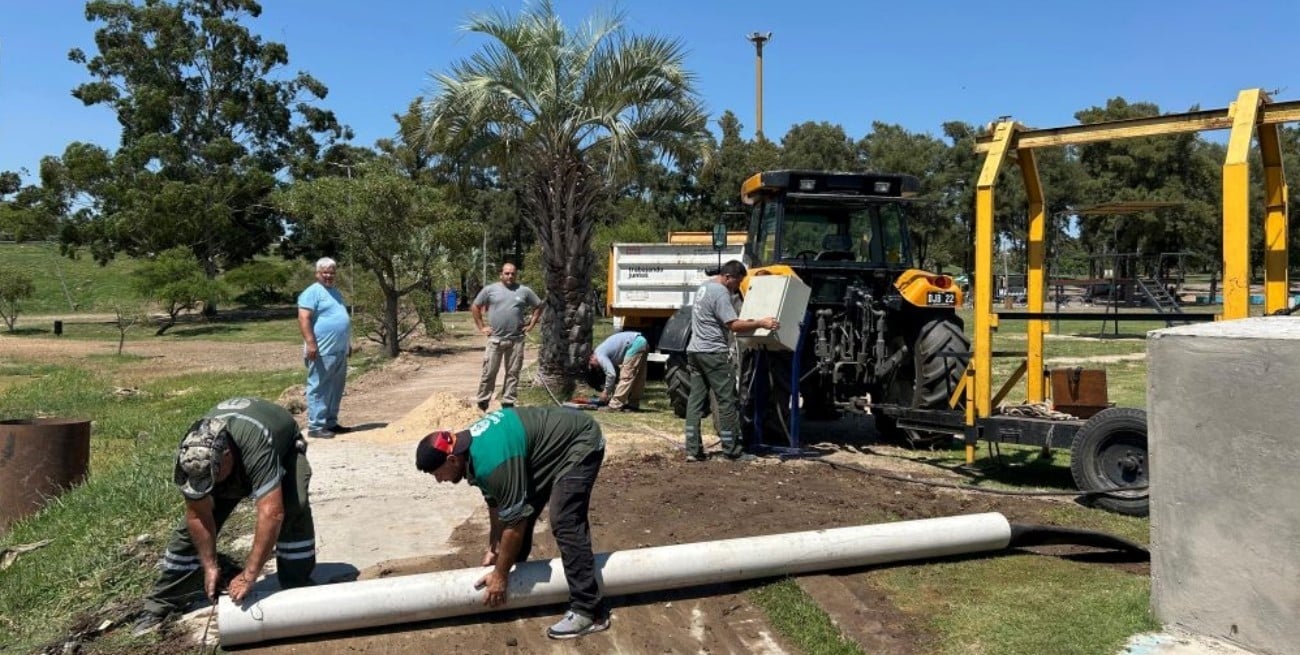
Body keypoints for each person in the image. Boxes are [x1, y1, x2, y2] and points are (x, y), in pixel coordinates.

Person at [415, 406, 608, 640]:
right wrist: (494, 547)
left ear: (452, 459)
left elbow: (515, 523)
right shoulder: (470, 452)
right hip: (542, 454)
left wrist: (500, 574)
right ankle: (517, 588)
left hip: (579, 441)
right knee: (516, 518)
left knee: (564, 520)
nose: (439, 481)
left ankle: (588, 610)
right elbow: (496, 503)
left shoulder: (493, 463)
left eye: (438, 473)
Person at [134, 397, 316, 634]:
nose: (210, 486)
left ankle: (297, 584)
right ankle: (163, 603)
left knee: (294, 506)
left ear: (227, 455)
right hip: (227, 459)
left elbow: (271, 513)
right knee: (188, 535)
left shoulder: (256, 446)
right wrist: (209, 565)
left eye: (213, 478)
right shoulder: (192, 454)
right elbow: (198, 516)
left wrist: (250, 574)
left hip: (284, 448)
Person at [684, 260, 779, 463]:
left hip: (695, 350)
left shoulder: (704, 287)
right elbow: (734, 325)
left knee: (695, 401)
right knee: (727, 400)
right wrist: (761, 322)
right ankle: (732, 450)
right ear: (728, 277)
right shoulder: (720, 292)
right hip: (713, 353)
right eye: (736, 283)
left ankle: (692, 449)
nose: (736, 288)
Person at [472, 263, 543, 412]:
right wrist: (481, 326)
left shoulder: (524, 291)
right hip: (495, 340)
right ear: (501, 274)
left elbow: (539, 306)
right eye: (506, 273)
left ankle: (508, 404)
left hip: (516, 340)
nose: (510, 276)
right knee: (489, 372)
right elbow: (475, 306)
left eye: (512, 273)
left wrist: (530, 325)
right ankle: (483, 402)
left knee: (513, 373)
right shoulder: (490, 290)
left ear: (516, 275)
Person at [297, 257, 352, 439]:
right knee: (319, 386)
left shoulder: (335, 292)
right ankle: (316, 425)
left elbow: (339, 317)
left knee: (336, 387)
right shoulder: (312, 293)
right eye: (325, 272)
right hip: (322, 350)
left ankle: (330, 422)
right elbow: (304, 318)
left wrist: (347, 343)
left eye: (331, 272)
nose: (328, 275)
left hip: (338, 350)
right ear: (317, 274)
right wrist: (311, 343)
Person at [588, 330, 648, 411]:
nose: (596, 368)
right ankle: (633, 404)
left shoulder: (599, 354)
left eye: (592, 365)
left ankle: (615, 405)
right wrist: (610, 392)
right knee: (638, 377)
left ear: (591, 357)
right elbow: (614, 375)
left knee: (626, 376)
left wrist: (605, 392)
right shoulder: (604, 351)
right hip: (642, 341)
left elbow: (611, 374)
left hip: (635, 344)